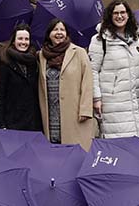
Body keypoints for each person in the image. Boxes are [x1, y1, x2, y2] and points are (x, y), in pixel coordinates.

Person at [88, 0, 139, 139]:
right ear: (110, 15)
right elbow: (93, 71)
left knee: (138, 139)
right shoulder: (99, 40)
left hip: (137, 99)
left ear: (128, 15)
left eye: (122, 12)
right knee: (118, 140)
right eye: (115, 13)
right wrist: (96, 98)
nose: (119, 16)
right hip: (112, 100)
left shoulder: (137, 36)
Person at [38, 19, 96, 148]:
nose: (59, 33)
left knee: (75, 151)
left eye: (62, 30)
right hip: (51, 113)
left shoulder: (79, 52)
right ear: (49, 34)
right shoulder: (41, 55)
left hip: (74, 112)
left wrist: (85, 110)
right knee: (54, 150)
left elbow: (87, 81)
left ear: (67, 34)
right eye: (55, 30)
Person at [0, 23, 43, 131]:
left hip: (32, 122)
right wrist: (1, 125)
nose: (23, 42)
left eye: (26, 39)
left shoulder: (34, 60)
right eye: (20, 38)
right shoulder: (3, 60)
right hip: (11, 122)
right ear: (13, 40)